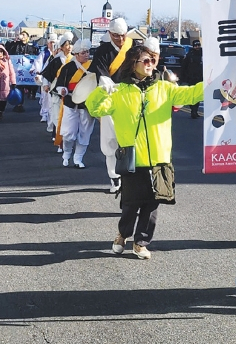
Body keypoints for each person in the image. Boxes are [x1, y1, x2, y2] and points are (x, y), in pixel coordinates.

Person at [86, 41, 203, 260]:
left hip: (159, 157)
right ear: (133, 64)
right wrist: (102, 91)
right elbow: (94, 108)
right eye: (146, 61)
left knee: (152, 203)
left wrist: (217, 82)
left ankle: (140, 242)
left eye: (153, 61)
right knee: (131, 203)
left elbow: (191, 94)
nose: (151, 65)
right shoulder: (119, 91)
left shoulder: (164, 88)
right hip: (132, 157)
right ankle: (122, 233)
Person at [89, 17, 132, 193]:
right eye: (115, 36)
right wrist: (106, 83)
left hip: (131, 101)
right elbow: (100, 73)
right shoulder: (102, 51)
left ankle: (131, 177)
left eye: (122, 36)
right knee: (111, 141)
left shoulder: (134, 49)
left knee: (131, 141)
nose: (120, 40)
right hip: (110, 100)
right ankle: (114, 177)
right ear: (109, 34)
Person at [55, 39, 96, 168]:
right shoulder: (68, 67)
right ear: (77, 54)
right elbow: (60, 84)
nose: (86, 55)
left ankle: (78, 158)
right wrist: (62, 90)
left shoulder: (94, 66)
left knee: (85, 132)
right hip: (70, 102)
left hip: (87, 105)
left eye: (88, 52)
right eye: (83, 52)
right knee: (68, 133)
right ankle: (66, 153)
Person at [41, 32, 74, 148]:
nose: (69, 47)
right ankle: (60, 141)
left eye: (71, 44)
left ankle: (67, 140)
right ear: (62, 46)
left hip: (71, 93)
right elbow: (47, 74)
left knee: (69, 118)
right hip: (56, 92)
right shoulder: (56, 60)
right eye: (67, 44)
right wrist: (45, 84)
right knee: (57, 117)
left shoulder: (75, 60)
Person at [5, 30, 38, 111]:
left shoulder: (29, 47)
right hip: (15, 69)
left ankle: (20, 104)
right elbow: (8, 50)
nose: (22, 36)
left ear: (27, 37)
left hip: (24, 70)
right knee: (15, 86)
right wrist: (14, 41)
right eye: (21, 34)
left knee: (22, 86)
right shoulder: (15, 44)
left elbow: (33, 57)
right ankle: (16, 102)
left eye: (24, 35)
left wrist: (28, 56)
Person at [32, 33, 57, 124]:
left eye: (54, 43)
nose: (53, 45)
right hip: (45, 77)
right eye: (51, 43)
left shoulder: (58, 53)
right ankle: (44, 114)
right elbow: (38, 63)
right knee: (45, 96)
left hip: (54, 78)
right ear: (48, 44)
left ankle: (52, 114)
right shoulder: (44, 53)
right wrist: (37, 71)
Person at [181, 40, 203, 118]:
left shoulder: (203, 54)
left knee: (198, 95)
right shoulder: (190, 55)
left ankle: (195, 111)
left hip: (200, 78)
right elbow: (184, 66)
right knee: (192, 95)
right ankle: (193, 110)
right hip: (191, 77)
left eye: (198, 45)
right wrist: (183, 77)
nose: (197, 47)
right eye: (195, 45)